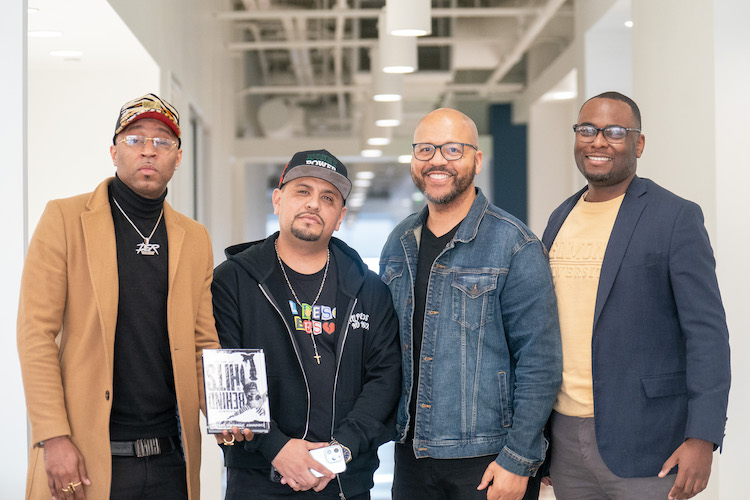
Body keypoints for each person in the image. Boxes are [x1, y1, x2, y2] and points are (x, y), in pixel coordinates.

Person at [16, 93, 247, 500]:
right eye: (135, 139)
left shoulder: (193, 238)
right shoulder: (65, 220)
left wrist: (228, 412)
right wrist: (53, 437)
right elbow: (36, 335)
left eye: (162, 142)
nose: (148, 151)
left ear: (177, 158)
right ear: (113, 151)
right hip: (89, 455)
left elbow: (202, 343)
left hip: (169, 458)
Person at [542, 91, 731, 500]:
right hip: (565, 439)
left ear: (638, 143)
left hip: (649, 439)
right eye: (587, 130)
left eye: (614, 132)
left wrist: (703, 436)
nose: (598, 141)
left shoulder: (675, 217)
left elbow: (707, 335)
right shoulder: (560, 218)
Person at [379, 108, 562, 500]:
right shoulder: (399, 242)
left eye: (452, 149)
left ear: (477, 160)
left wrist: (518, 458)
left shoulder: (515, 245)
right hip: (412, 456)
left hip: (487, 460)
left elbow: (540, 362)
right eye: (425, 149)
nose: (437, 160)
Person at [211, 149, 401, 499]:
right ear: (278, 200)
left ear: (340, 216)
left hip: (343, 479)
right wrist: (278, 449)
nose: (314, 203)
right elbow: (228, 380)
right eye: (303, 191)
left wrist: (338, 451)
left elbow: (385, 379)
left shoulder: (369, 290)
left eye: (328, 197)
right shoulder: (232, 282)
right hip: (259, 479)